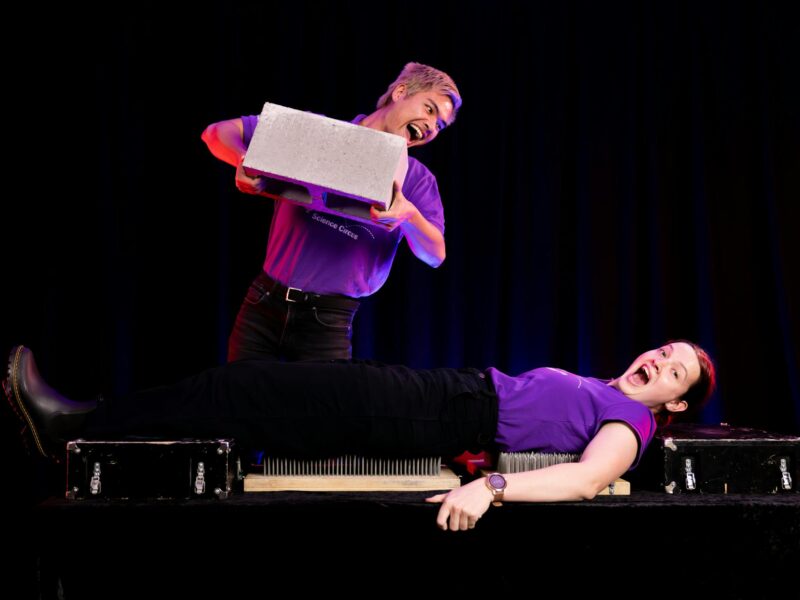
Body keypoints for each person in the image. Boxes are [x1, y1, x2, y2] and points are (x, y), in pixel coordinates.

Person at [4, 340, 715, 531]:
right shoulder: (606, 390)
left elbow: (589, 479)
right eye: (663, 350)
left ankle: (76, 425)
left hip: (440, 417)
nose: (658, 359)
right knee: (242, 392)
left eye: (673, 369)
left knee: (241, 392)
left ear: (676, 402)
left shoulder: (633, 423)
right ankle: (82, 424)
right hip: (444, 394)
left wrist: (492, 487)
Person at [201, 62, 462, 362]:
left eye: (440, 125)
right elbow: (216, 133)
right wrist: (242, 159)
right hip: (263, 305)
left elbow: (435, 254)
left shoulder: (417, 179)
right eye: (429, 110)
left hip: (328, 323)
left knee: (317, 410)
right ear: (401, 92)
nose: (431, 126)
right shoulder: (318, 134)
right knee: (238, 403)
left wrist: (409, 216)